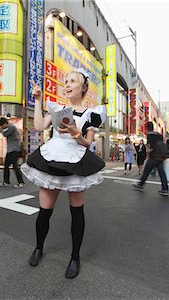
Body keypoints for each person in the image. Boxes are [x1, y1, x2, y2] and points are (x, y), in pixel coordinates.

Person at [23, 71, 106, 279]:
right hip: (52, 156)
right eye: (66, 81)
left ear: (83, 88)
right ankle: (39, 247)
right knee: (44, 211)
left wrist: (77, 134)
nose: (67, 85)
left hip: (76, 159)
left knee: (77, 213)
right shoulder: (57, 108)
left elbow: (88, 143)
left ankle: (75, 257)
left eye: (72, 81)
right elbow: (39, 126)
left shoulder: (91, 114)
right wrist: (39, 100)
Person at [134, 122, 169, 196]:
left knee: (146, 171)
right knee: (162, 174)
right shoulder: (159, 134)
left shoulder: (149, 135)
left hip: (153, 157)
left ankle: (140, 185)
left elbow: (149, 147)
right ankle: (165, 189)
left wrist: (148, 152)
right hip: (160, 157)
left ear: (147, 128)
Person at [0, 117, 25, 188]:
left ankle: (21, 182)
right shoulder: (9, 127)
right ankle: (6, 182)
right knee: (6, 165)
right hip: (11, 150)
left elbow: (5, 134)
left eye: (2, 125)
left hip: (15, 149)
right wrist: (2, 129)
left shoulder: (12, 127)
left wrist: (0, 130)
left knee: (15, 166)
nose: (1, 127)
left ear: (5, 123)